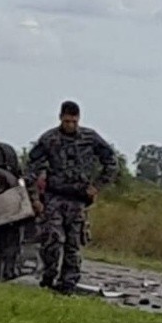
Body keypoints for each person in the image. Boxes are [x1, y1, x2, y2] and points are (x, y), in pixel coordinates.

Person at [25, 100, 118, 295]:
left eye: (74, 121)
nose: (70, 125)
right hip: (54, 197)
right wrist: (34, 198)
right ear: (60, 118)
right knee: (52, 239)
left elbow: (110, 161)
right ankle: (49, 275)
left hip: (78, 198)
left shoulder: (90, 138)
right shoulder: (49, 139)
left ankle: (68, 283)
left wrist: (97, 186)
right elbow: (32, 169)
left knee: (73, 243)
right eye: (67, 121)